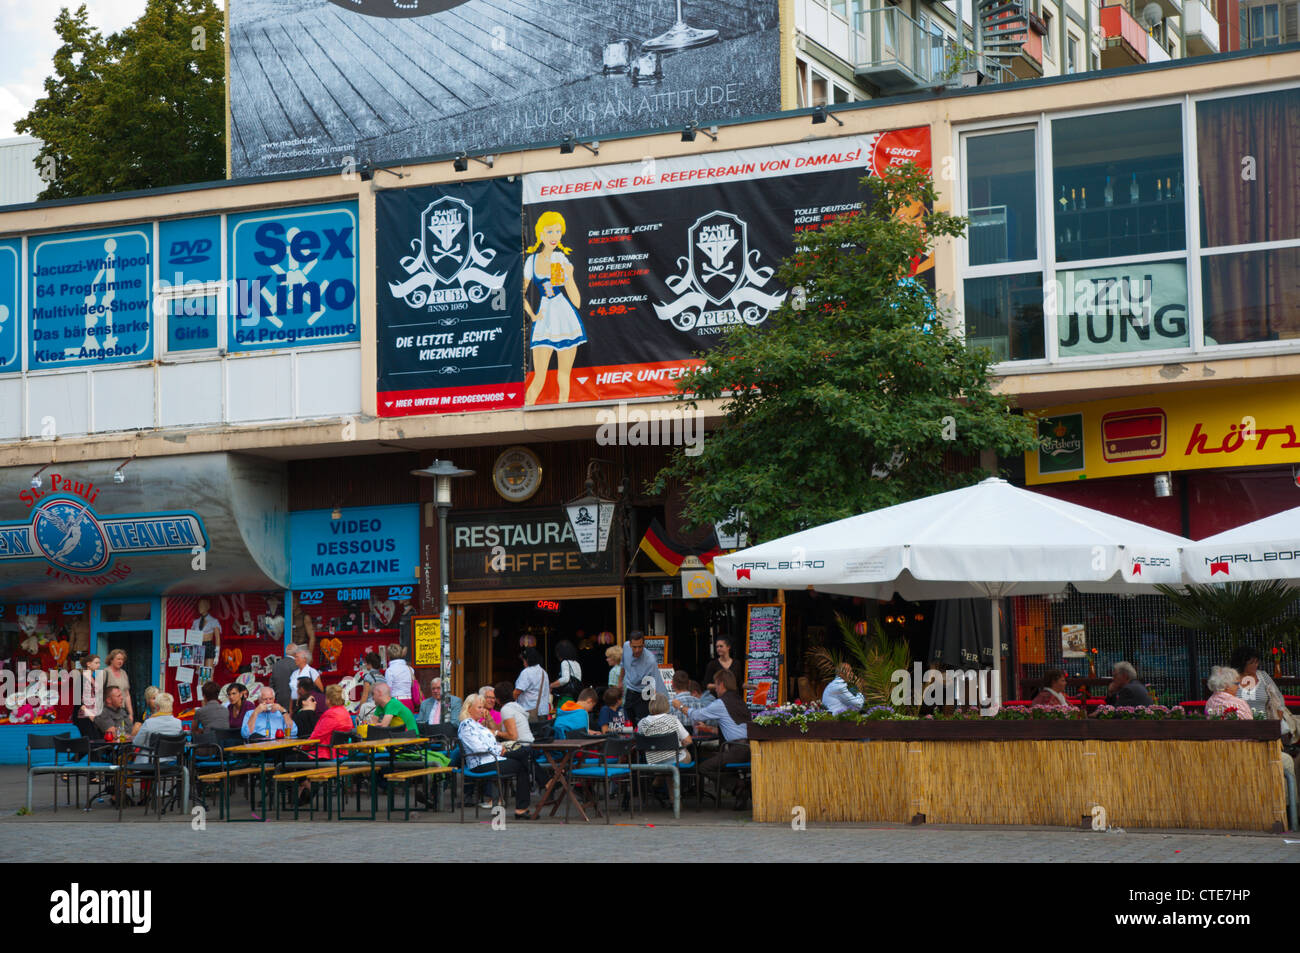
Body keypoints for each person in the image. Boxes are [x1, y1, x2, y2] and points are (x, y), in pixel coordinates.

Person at [523, 210, 585, 405]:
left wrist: (571, 277)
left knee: (563, 375)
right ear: (541, 234)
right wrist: (532, 315)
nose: (555, 236)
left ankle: (563, 411)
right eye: (550, 231)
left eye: (558, 231)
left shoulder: (561, 259)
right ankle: (528, 413)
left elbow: (577, 302)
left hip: (564, 316)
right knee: (538, 377)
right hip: (544, 319)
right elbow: (519, 293)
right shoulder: (531, 261)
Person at [457, 694, 534, 818]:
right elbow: (479, 748)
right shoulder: (466, 725)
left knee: (525, 756)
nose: (482, 710)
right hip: (481, 763)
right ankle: (522, 807)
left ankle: (523, 807)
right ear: (469, 708)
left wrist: (499, 748)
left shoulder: (477, 725)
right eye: (479, 707)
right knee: (524, 762)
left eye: (483, 707)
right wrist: (498, 750)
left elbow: (491, 742)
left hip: (492, 758)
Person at [688, 670, 751, 801]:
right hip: (748, 747)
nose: (715, 689)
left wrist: (680, 706)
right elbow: (733, 727)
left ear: (721, 684)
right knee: (715, 761)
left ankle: (739, 786)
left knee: (704, 767)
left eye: (716, 685)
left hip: (736, 749)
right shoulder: (740, 701)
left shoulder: (721, 703)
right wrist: (710, 729)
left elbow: (696, 715)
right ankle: (740, 790)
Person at [621, 631, 667, 725]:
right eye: (634, 647)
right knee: (627, 721)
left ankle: (642, 738)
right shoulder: (626, 647)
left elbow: (656, 683)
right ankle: (628, 739)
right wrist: (619, 682)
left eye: (640, 646)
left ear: (644, 644)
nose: (637, 650)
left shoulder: (650, 660)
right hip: (630, 690)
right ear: (630, 644)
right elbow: (623, 665)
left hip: (644, 693)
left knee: (643, 723)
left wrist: (661, 706)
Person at [637, 693, 692, 764]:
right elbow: (688, 741)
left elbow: (640, 742)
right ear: (666, 705)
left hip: (654, 763)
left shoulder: (642, 723)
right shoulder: (673, 720)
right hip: (677, 761)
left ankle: (661, 773)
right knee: (686, 752)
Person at [307, 683, 356, 759]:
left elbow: (317, 737)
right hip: (341, 754)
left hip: (325, 755)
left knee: (290, 758)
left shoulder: (331, 714)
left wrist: (301, 746)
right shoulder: (345, 712)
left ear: (329, 700)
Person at [131, 692, 183, 763]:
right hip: (171, 762)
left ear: (157, 707)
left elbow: (136, 744)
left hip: (150, 763)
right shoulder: (178, 723)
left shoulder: (149, 723)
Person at [513, 647, 552, 717]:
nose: (523, 663)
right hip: (543, 713)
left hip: (529, 713)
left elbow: (517, 692)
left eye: (523, 660)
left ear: (527, 659)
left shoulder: (527, 672)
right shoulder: (544, 672)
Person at [103, 649, 133, 723]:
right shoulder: (105, 672)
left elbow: (127, 695)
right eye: (118, 659)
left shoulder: (124, 673)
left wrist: (131, 713)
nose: (120, 661)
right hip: (109, 711)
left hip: (122, 710)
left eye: (122, 659)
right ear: (111, 660)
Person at [75, 654, 101, 737]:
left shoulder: (93, 678)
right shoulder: (82, 678)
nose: (99, 665)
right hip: (84, 716)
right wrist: (90, 714)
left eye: (99, 663)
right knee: (90, 740)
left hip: (94, 714)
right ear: (88, 664)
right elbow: (77, 700)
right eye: (96, 663)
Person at [550, 639, 583, 704]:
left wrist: (551, 685)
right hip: (576, 696)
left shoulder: (565, 662)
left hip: (566, 698)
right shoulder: (576, 663)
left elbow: (565, 679)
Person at [190, 597, 222, 663]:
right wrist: (191, 654)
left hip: (209, 645)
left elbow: (217, 638)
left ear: (207, 606)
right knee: (199, 671)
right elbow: (191, 638)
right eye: (199, 605)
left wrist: (217, 655)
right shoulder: (195, 622)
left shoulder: (213, 621)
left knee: (208, 671)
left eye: (202, 605)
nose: (199, 607)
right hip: (198, 645)